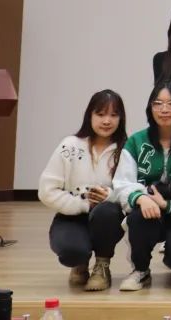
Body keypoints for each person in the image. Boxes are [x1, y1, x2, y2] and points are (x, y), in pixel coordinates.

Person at [113, 81, 171, 292]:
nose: (164, 110)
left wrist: (167, 204)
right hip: (147, 211)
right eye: (158, 103)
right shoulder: (136, 141)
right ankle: (140, 270)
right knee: (138, 218)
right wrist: (141, 198)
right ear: (150, 108)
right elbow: (122, 183)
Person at [38, 90, 128, 292]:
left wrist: (110, 196)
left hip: (107, 217)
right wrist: (83, 204)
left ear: (121, 119)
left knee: (107, 211)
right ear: (90, 115)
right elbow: (46, 191)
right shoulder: (70, 145)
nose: (107, 121)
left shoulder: (126, 149)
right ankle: (80, 262)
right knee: (71, 251)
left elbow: (132, 191)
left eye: (114, 115)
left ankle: (102, 266)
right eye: (100, 114)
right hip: (71, 215)